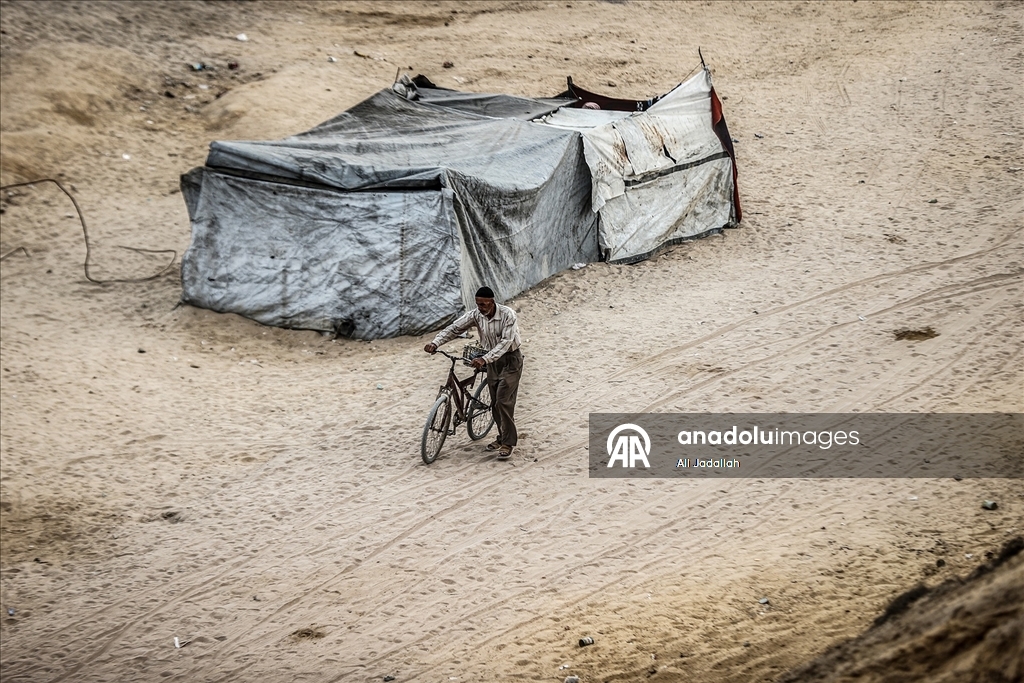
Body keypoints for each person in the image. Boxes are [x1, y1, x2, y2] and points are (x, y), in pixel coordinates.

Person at [424, 286, 523, 460]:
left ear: (492, 302)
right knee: (494, 403)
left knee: (502, 401)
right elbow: (454, 329)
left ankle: (508, 443)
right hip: (491, 361)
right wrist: (436, 343)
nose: (480, 308)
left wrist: (485, 359)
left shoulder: (508, 315)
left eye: (484, 304)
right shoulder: (476, 315)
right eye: (478, 304)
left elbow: (507, 342)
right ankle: (501, 438)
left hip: (510, 360)